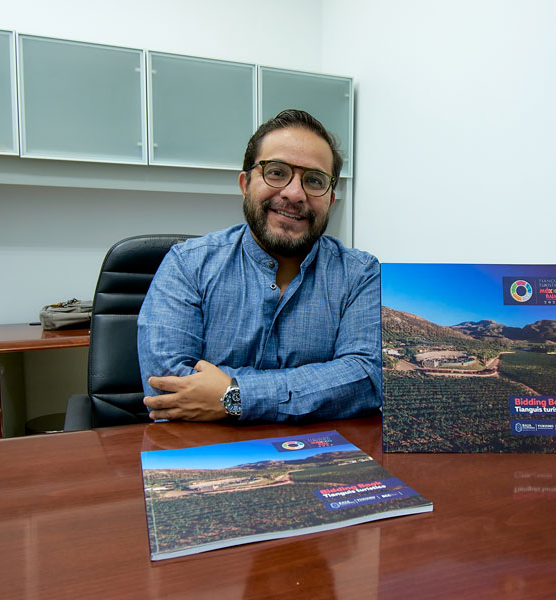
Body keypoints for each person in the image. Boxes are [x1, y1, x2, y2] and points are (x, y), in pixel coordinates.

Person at [137, 109, 381, 422]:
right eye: (276, 172)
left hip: (323, 448)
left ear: (331, 200)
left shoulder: (360, 274)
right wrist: (317, 386)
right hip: (203, 448)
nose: (294, 193)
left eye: (314, 180)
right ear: (245, 184)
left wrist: (234, 396)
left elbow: (365, 378)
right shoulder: (188, 264)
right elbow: (166, 385)